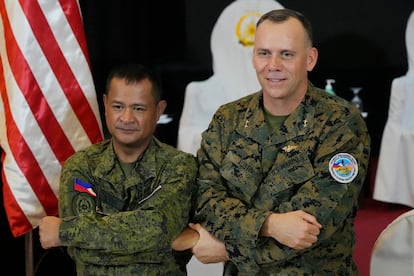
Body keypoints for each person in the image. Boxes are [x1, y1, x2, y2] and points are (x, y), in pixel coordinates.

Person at [188, 8, 371, 275]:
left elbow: (310, 229)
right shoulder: (228, 118)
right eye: (264, 53)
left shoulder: (341, 123)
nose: (273, 65)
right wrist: (270, 225)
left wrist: (230, 250)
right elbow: (204, 199)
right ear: (253, 57)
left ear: (310, 59)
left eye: (286, 54)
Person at [38, 63, 198, 275]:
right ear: (105, 105)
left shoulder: (180, 167)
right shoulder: (81, 167)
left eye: (138, 108)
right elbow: (79, 252)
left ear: (159, 111)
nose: (127, 118)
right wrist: (163, 244)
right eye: (118, 106)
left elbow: (158, 230)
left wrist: (64, 231)